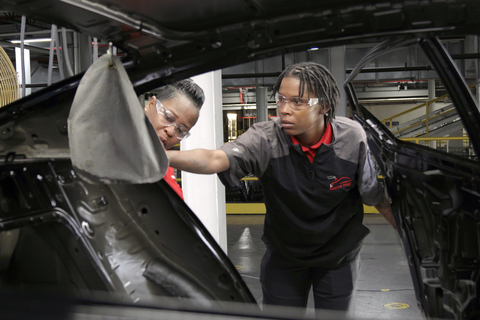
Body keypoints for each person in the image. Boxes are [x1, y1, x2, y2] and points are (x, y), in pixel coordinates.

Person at [166, 62, 396, 316]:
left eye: (298, 102)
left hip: (338, 257)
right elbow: (214, 159)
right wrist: (161, 156)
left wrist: (417, 246)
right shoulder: (265, 139)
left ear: (325, 106)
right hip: (285, 255)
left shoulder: (352, 138)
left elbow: (378, 198)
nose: (284, 110)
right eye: (281, 99)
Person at [144, 78, 204, 199]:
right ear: (150, 104)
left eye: (181, 131)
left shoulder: (163, 164)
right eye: (168, 117)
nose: (171, 131)